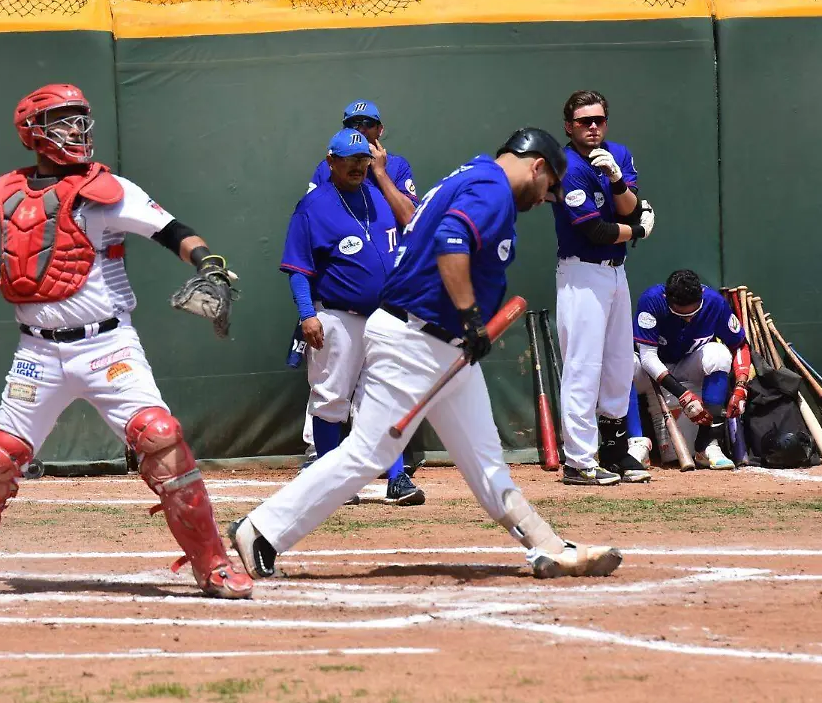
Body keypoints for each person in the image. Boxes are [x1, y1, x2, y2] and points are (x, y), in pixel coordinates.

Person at [229, 129, 622, 581]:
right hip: (416, 340)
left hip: (442, 343)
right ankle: (260, 529)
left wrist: (465, 326)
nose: (547, 197)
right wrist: (472, 316)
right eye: (550, 185)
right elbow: (451, 239)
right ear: (536, 165)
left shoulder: (476, 175)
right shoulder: (493, 187)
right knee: (367, 454)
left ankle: (547, 545)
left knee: (485, 457)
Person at [0, 83, 253, 599]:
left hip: (107, 348)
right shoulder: (12, 190)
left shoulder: (107, 190)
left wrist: (208, 263)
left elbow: (171, 229)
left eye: (80, 120)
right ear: (33, 133)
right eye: (62, 122)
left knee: (161, 438)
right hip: (37, 353)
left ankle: (213, 564)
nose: (76, 131)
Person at [283, 128, 421, 505]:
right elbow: (299, 269)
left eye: (364, 160)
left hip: (386, 316)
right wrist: (307, 314)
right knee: (331, 399)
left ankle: (397, 478)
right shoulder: (313, 207)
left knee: (387, 396)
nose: (358, 166)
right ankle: (332, 479)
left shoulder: (378, 196)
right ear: (331, 162)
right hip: (338, 317)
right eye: (350, 160)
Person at [553, 90, 656, 486]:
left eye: (598, 119)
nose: (592, 126)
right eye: (583, 121)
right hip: (582, 274)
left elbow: (629, 205)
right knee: (582, 368)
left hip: (616, 272)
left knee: (618, 365)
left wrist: (616, 179)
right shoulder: (566, 166)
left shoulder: (618, 153)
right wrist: (641, 230)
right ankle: (578, 460)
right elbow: (597, 230)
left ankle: (615, 452)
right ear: (569, 126)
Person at [629, 269, 746, 470]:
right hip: (650, 372)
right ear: (667, 298)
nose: (688, 319)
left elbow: (740, 345)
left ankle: (706, 444)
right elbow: (648, 358)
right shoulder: (652, 300)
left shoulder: (714, 302)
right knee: (626, 363)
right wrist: (682, 394)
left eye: (693, 313)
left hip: (687, 366)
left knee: (718, 353)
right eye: (680, 314)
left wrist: (741, 386)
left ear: (701, 295)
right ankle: (637, 444)